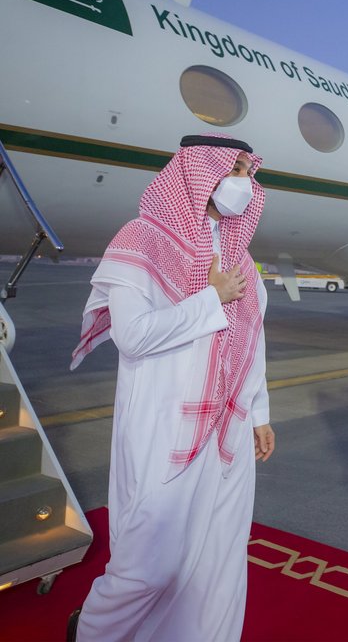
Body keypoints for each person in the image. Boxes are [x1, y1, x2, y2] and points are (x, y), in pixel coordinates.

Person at [68, 134, 275, 642]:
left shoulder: (239, 255)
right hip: (166, 428)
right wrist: (211, 298)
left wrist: (261, 411)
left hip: (228, 431)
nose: (245, 182)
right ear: (197, 172)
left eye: (249, 172)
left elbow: (252, 337)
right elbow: (133, 336)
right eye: (236, 169)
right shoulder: (140, 240)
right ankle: (92, 632)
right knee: (150, 565)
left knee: (216, 560)